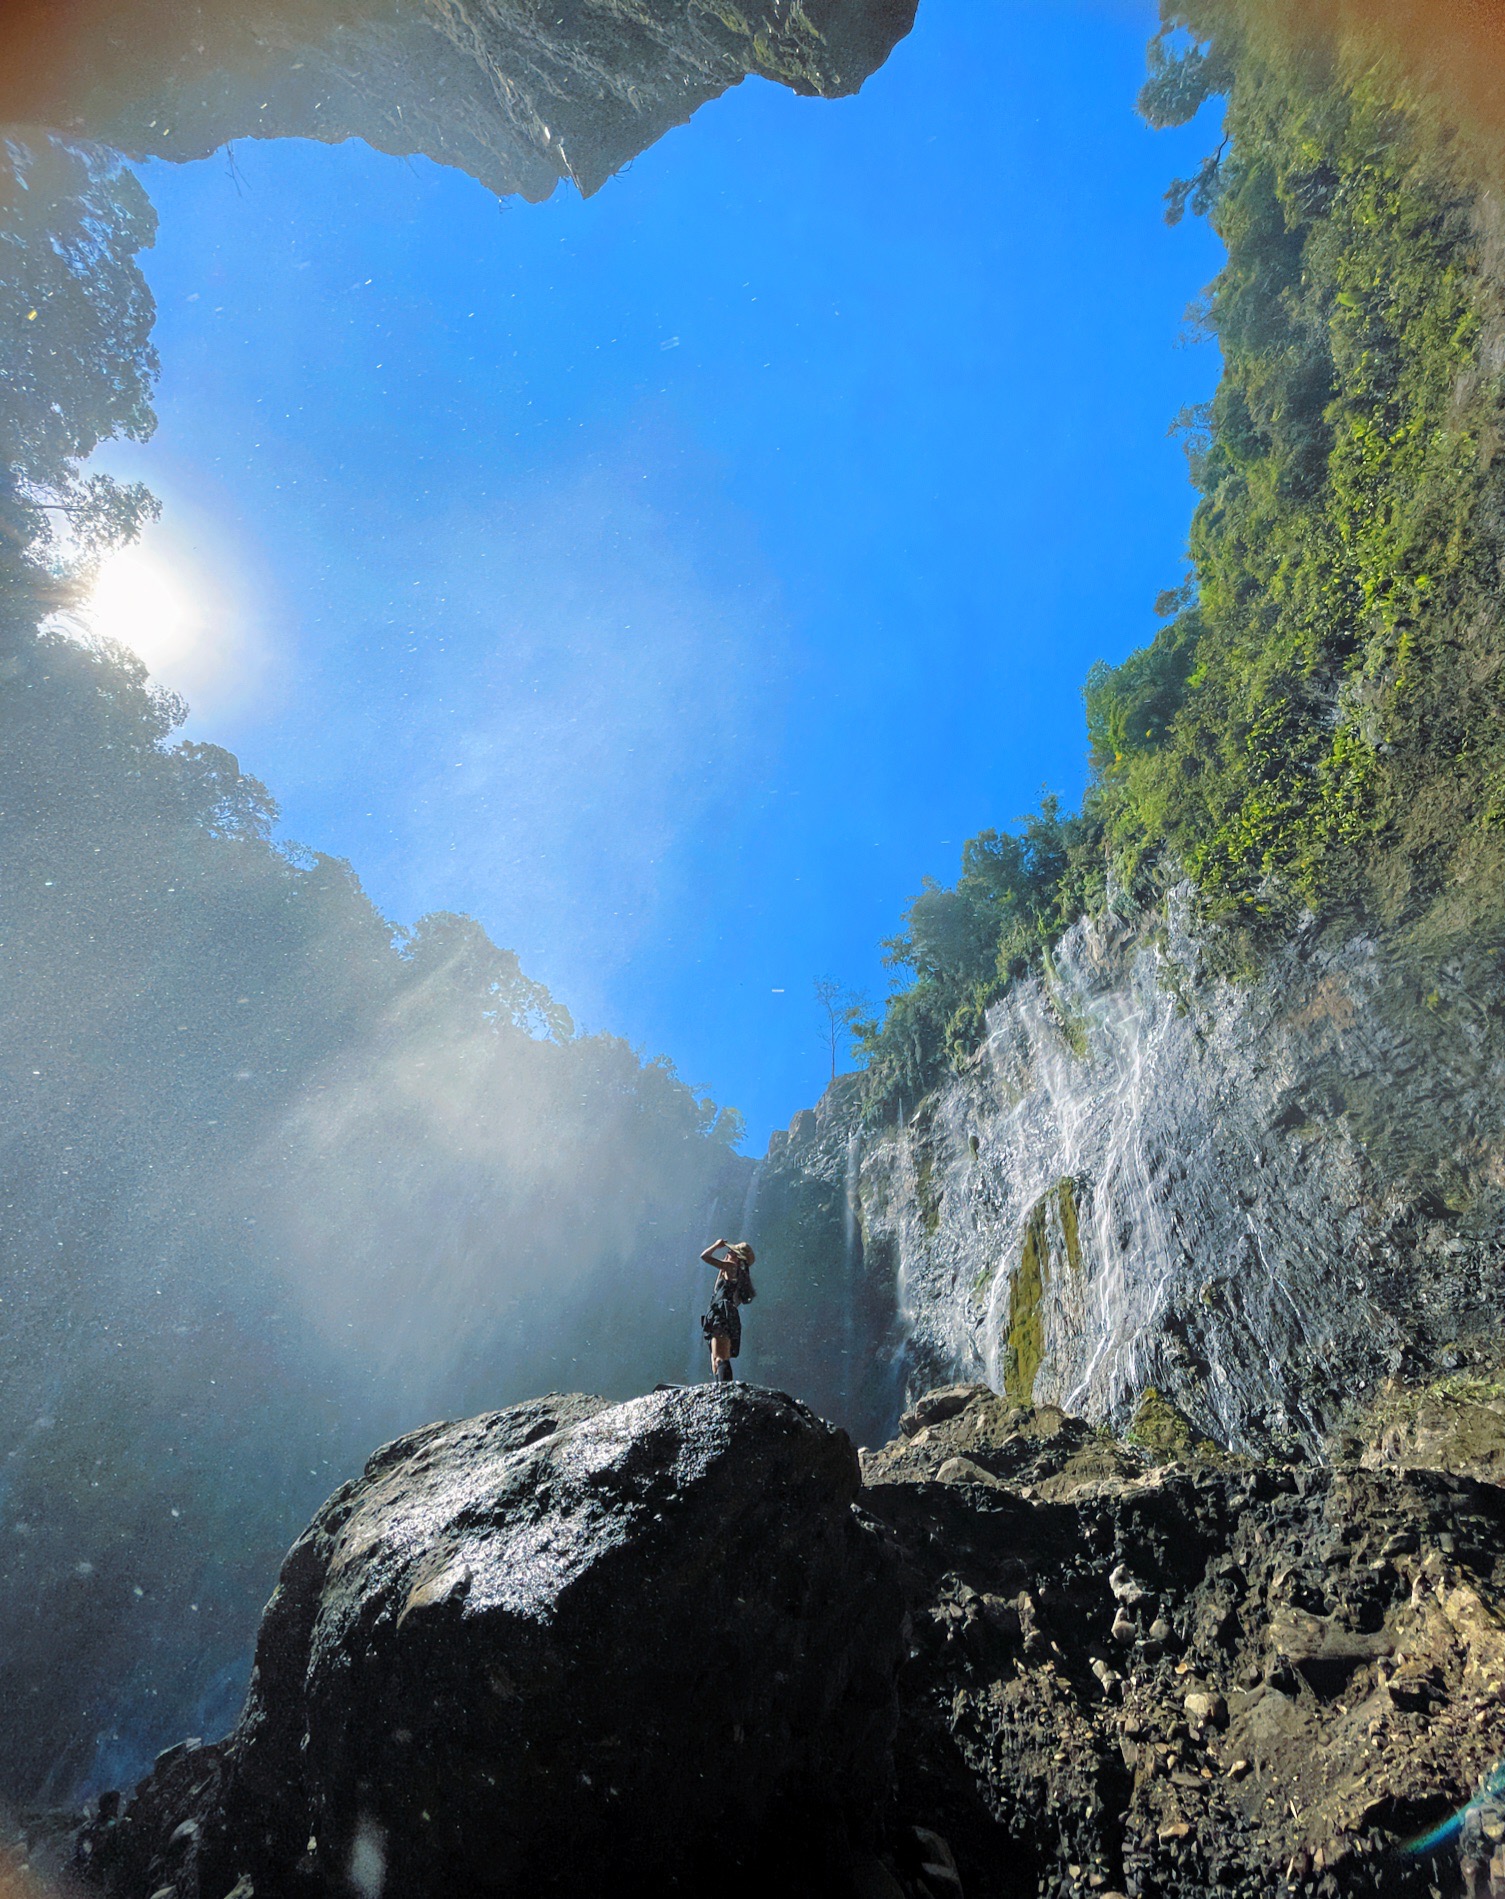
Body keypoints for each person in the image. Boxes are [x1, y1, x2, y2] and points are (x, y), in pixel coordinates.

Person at [700, 1238, 756, 1383]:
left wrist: (716, 1245)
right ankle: (721, 1386)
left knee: (719, 1358)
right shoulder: (736, 1273)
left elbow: (705, 1257)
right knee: (716, 1359)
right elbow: (717, 1290)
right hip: (721, 1313)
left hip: (720, 1315)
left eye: (731, 1251)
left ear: (738, 1258)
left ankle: (725, 1388)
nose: (728, 1252)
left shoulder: (731, 1267)